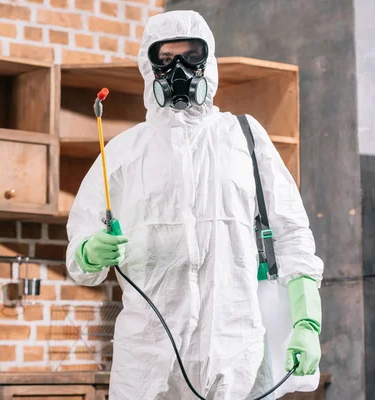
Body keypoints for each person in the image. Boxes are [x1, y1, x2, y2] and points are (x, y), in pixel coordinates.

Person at [65, 10, 324, 400]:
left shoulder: (244, 138)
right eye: (166, 60)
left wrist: (307, 323)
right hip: (148, 364)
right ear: (148, 66)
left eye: (191, 57)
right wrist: (88, 251)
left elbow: (292, 235)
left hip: (235, 354)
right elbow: (79, 255)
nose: (179, 70)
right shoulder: (121, 154)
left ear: (209, 61)